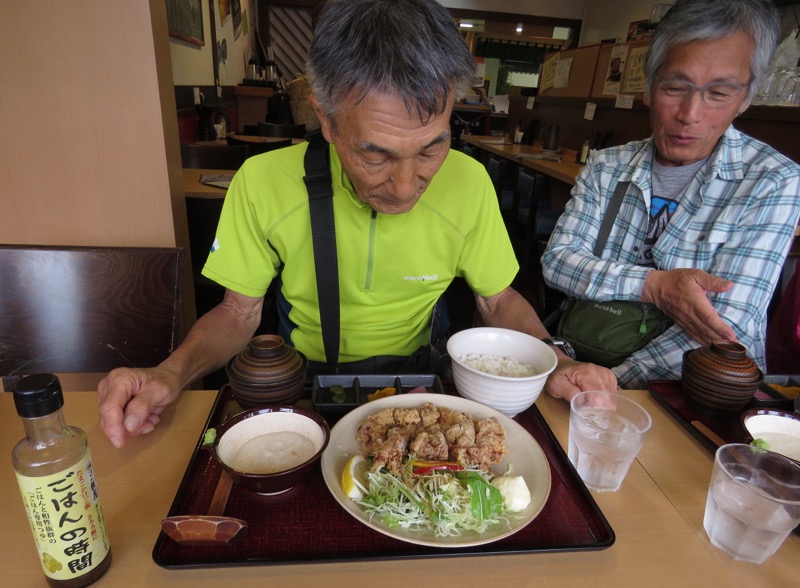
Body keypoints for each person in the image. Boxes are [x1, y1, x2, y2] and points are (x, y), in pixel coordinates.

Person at [97, 0, 615, 449]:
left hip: (420, 385)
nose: (408, 186)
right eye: (376, 154)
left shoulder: (471, 181)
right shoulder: (262, 182)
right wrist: (170, 373)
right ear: (326, 119)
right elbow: (237, 313)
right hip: (300, 388)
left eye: (433, 147)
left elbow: (498, 300)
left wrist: (553, 356)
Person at [542, 0, 800, 389]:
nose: (690, 114)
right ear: (648, 85)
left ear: (746, 96)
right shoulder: (607, 165)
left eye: (719, 93)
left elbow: (722, 328)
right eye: (675, 87)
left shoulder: (773, 180)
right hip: (581, 360)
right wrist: (655, 286)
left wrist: (613, 382)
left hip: (690, 389)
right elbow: (558, 262)